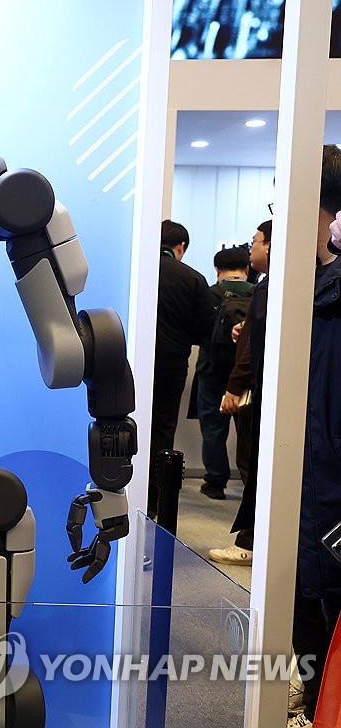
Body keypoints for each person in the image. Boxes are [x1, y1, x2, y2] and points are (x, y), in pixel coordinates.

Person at [285, 146, 341, 728]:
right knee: (306, 595)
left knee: (326, 600)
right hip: (306, 476)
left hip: (328, 481)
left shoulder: (330, 294)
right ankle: (311, 692)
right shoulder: (311, 287)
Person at [211, 218, 272, 567]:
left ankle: (251, 542)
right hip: (260, 386)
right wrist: (243, 328)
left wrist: (235, 386)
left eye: (256, 241)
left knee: (252, 463)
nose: (252, 248)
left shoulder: (270, 287)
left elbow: (253, 348)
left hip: (255, 389)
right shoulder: (266, 286)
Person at [150, 219, 217, 516]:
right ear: (181, 247)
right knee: (163, 430)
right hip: (171, 365)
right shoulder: (193, 279)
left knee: (125, 424)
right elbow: (206, 329)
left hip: (130, 364)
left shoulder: (138, 270)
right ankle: (155, 500)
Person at [195, 245, 255, 499]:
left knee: (213, 428)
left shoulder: (210, 294)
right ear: (247, 269)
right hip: (246, 373)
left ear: (217, 269)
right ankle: (251, 484)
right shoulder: (258, 293)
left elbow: (199, 331)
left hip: (211, 370)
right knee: (248, 431)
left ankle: (215, 482)